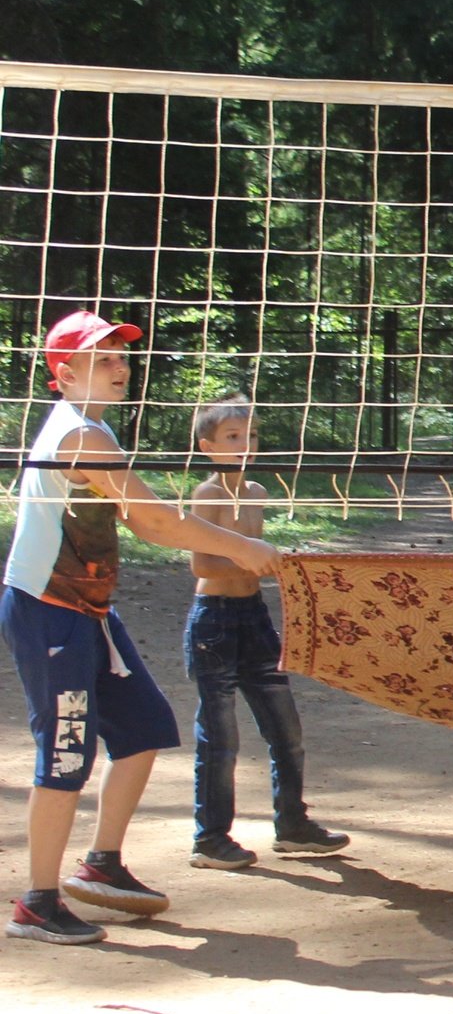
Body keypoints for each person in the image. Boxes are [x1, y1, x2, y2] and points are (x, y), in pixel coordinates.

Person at [6, 312, 281, 944]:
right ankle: (37, 902)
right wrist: (238, 548)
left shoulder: (94, 428)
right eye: (102, 359)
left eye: (122, 357)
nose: (119, 366)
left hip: (87, 609)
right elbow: (153, 521)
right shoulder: (82, 435)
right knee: (65, 755)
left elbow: (139, 518)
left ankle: (101, 865)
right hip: (48, 610)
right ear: (64, 372)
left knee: (144, 730)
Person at [182, 395, 350, 870]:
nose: (244, 444)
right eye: (232, 437)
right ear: (208, 446)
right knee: (220, 737)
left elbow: (258, 559)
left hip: (253, 617)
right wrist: (252, 558)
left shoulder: (256, 491)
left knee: (286, 728)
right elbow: (200, 561)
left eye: (250, 436)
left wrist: (279, 566)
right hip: (213, 620)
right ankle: (210, 838)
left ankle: (292, 825)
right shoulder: (208, 495)